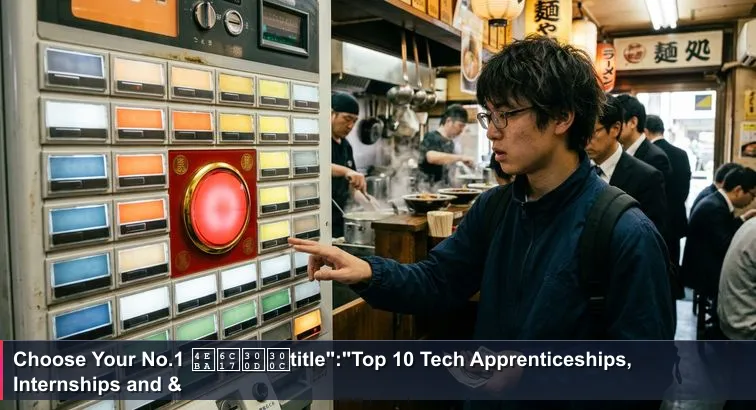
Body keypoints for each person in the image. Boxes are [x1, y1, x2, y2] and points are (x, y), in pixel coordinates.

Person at [292, 36, 674, 409]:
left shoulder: (624, 232)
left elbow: (643, 375)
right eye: (489, 115)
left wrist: (531, 373)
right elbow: (438, 281)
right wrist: (367, 272)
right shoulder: (496, 208)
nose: (492, 131)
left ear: (562, 116)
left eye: (506, 115)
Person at [682, 167, 756, 339]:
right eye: (752, 195)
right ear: (738, 190)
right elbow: (725, 244)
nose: (751, 201)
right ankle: (720, 324)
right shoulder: (715, 207)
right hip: (702, 272)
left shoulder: (715, 201)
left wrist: (743, 219)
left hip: (704, 263)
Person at [585, 94, 668, 238]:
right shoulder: (581, 169)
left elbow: (650, 236)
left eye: (592, 133)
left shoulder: (647, 177)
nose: (585, 142)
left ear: (615, 128)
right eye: (582, 134)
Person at [646, 115, 692, 266]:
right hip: (676, 220)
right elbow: (684, 189)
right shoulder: (681, 154)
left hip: (655, 222)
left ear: (645, 131)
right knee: (673, 265)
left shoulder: (648, 154)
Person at [330, 92, 366, 238]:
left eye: (355, 121)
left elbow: (352, 185)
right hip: (323, 222)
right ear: (331, 114)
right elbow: (318, 168)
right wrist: (346, 171)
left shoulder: (346, 146)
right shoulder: (318, 142)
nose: (351, 126)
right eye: (347, 119)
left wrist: (369, 203)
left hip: (342, 221)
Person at [418, 104, 476, 185]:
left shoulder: (450, 143)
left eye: (463, 127)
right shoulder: (431, 136)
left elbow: (449, 169)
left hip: (442, 189)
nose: (462, 130)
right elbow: (431, 157)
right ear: (449, 121)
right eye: (460, 125)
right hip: (426, 188)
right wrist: (461, 157)